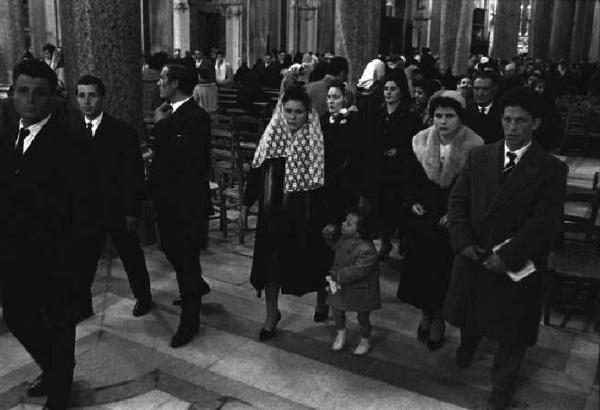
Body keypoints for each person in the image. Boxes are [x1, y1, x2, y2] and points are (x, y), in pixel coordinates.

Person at [443, 87, 567, 410]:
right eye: (508, 120)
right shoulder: (480, 156)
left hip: (516, 263)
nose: (512, 127)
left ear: (535, 124)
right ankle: (467, 347)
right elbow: (458, 202)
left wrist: (507, 256)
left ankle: (501, 388)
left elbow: (544, 223)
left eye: (521, 121)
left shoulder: (551, 169)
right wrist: (464, 243)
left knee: (512, 334)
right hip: (477, 255)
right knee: (473, 315)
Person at [0, 59, 95, 409]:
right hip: (15, 253)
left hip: (57, 256)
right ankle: (56, 367)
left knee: (60, 323)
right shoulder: (7, 138)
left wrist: (79, 265)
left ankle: (60, 387)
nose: (30, 100)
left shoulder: (70, 144)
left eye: (39, 93)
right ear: (12, 94)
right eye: (23, 92)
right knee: (17, 316)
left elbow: (86, 210)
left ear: (52, 98)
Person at [242, 86, 331, 341]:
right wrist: (247, 203)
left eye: (298, 112)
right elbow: (257, 171)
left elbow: (327, 183)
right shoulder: (272, 137)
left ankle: (322, 302)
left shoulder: (316, 141)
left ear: (308, 114)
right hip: (273, 215)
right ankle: (271, 314)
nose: (292, 117)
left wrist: (330, 219)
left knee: (316, 262)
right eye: (288, 111)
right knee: (270, 266)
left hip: (307, 216)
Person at [398, 91, 483, 351]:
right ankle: (425, 312)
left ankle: (439, 319)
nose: (443, 121)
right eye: (438, 116)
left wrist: (457, 214)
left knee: (443, 272)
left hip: (450, 219)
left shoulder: (475, 146)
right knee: (420, 269)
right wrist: (411, 200)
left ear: (460, 118)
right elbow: (407, 176)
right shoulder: (419, 141)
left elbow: (475, 187)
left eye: (450, 116)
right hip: (422, 215)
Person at [74, 75, 153, 322]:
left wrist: (133, 211)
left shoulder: (121, 131)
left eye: (92, 95)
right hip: (88, 212)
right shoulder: (72, 131)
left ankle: (144, 297)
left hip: (118, 208)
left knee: (131, 256)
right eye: (81, 95)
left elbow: (134, 174)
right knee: (84, 261)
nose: (86, 101)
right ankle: (81, 304)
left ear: (102, 97)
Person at [148, 64, 212, 348]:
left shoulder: (196, 117)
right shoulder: (170, 113)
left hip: (187, 202)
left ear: (174, 83)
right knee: (172, 250)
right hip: (167, 199)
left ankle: (190, 321)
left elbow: (184, 158)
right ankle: (197, 286)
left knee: (185, 260)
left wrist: (161, 125)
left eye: (162, 79)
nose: (158, 83)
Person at [368, 73, 421, 260]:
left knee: (396, 208)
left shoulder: (409, 115)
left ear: (401, 91)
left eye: (393, 89)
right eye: (386, 89)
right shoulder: (378, 112)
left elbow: (414, 142)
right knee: (380, 208)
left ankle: (401, 242)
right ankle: (385, 242)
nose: (388, 93)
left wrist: (399, 151)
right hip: (379, 168)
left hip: (399, 170)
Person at [322, 210, 380, 356]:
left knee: (363, 316)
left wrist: (338, 276)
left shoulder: (367, 249)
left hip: (361, 288)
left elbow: (358, 270)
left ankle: (365, 340)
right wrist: (328, 238)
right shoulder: (344, 238)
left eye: (348, 224)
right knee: (337, 309)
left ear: (358, 233)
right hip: (343, 284)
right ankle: (341, 333)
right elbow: (337, 250)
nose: (342, 224)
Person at [464, 72, 504, 144]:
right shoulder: (464, 109)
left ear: (494, 89)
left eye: (485, 89)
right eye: (476, 89)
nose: (480, 93)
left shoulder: (503, 111)